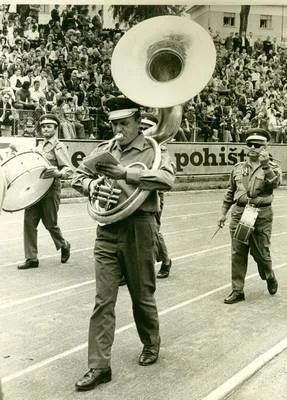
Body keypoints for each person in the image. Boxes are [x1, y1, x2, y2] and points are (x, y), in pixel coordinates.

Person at [71, 97, 175, 391]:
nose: (118, 130)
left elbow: (168, 180)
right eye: (114, 124)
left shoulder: (154, 149)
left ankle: (151, 343)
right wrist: (91, 185)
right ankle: (99, 366)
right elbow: (78, 175)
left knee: (142, 296)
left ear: (138, 122)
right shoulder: (105, 150)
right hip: (107, 230)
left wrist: (126, 174)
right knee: (103, 300)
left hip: (140, 228)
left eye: (124, 124)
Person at [217, 128, 281, 304]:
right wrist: (223, 213)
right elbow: (231, 191)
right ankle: (238, 290)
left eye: (258, 145)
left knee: (261, 252)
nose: (253, 147)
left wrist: (266, 165)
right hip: (241, 213)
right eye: (250, 144)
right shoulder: (238, 168)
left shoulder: (273, 166)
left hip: (261, 214)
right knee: (238, 252)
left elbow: (274, 183)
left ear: (265, 147)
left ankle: (269, 274)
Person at [18, 113, 72, 270]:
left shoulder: (59, 146)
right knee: (29, 223)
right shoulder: (38, 147)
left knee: (50, 223)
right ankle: (31, 258)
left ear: (56, 128)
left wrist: (59, 173)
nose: (45, 129)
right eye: (43, 127)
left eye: (49, 126)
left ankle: (64, 244)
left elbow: (68, 169)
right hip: (35, 190)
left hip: (50, 190)